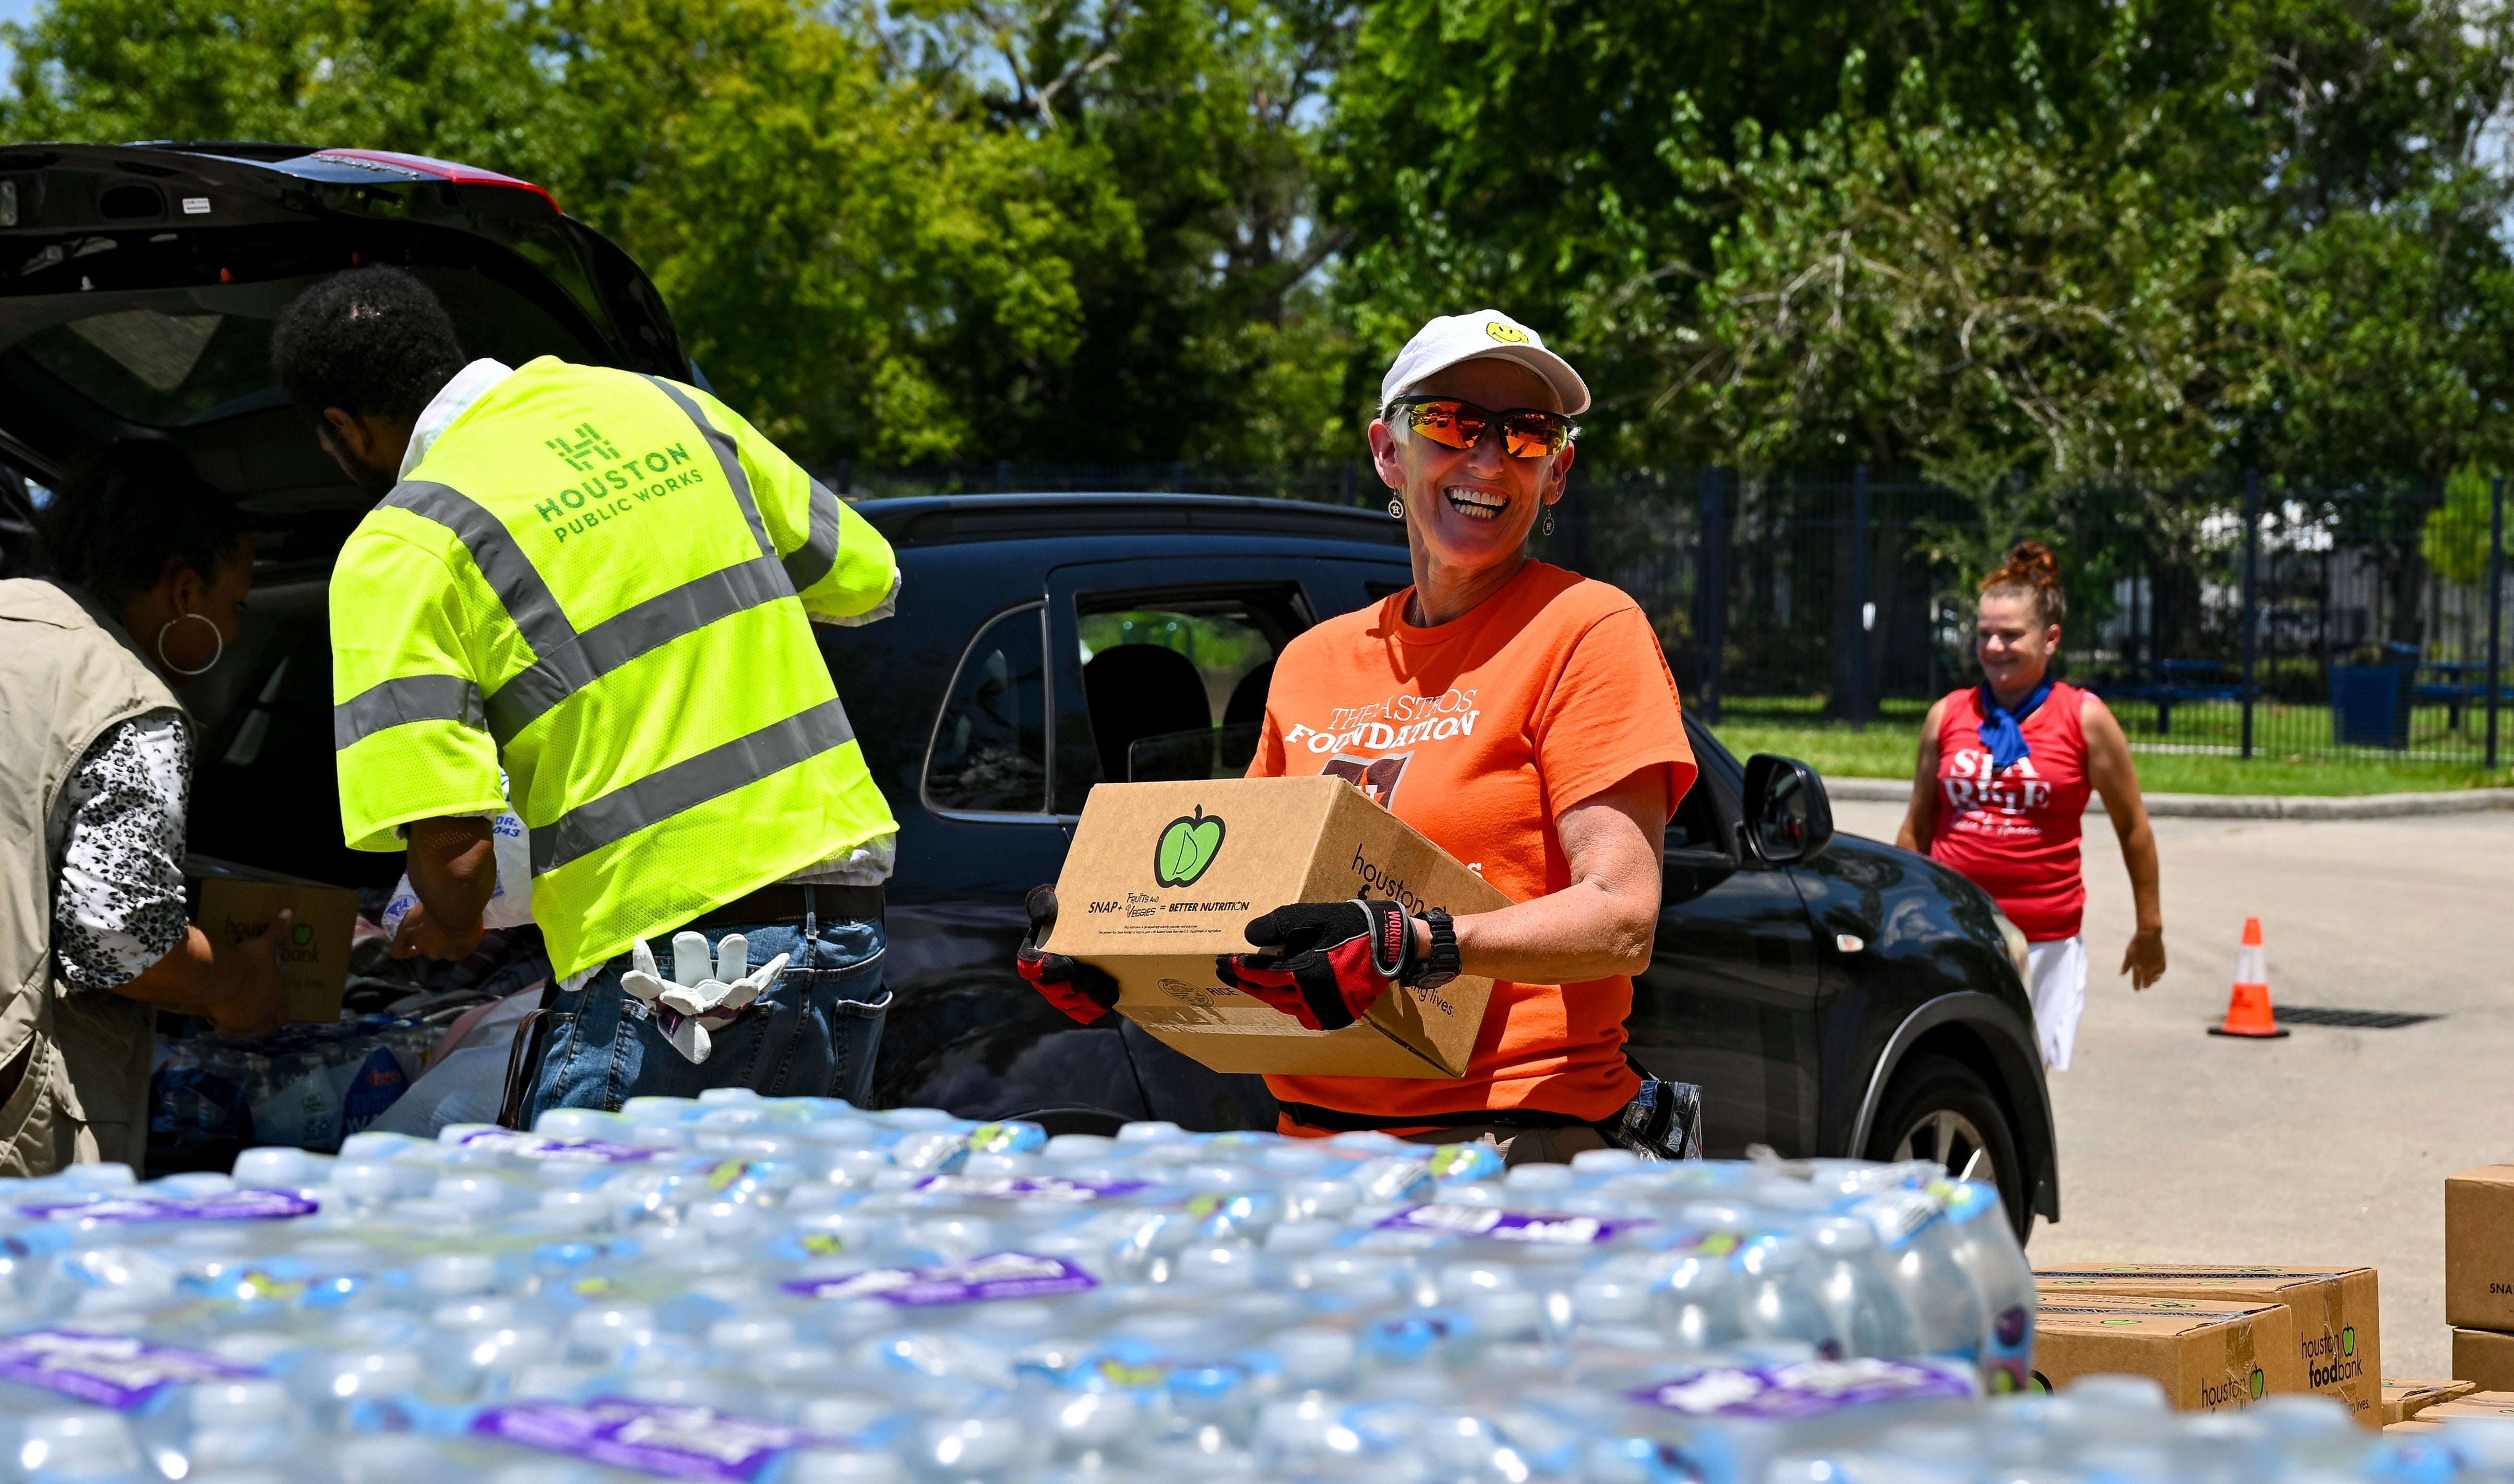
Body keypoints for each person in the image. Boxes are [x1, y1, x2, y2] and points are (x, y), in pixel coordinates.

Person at [1020, 310, 1696, 1164]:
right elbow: (1247, 908)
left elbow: (1621, 919)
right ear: (1388, 451)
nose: (1488, 459)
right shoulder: (1312, 662)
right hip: (1319, 1153)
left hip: (1514, 1146)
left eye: (1526, 434)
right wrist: (1111, 954)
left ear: (1556, 471)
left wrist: (1417, 942)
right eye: (1449, 422)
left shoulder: (1586, 629)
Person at [271, 266, 904, 1117]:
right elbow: (869, 581)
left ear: (342, 427)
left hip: (670, 969)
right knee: (785, 1241)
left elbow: (456, 874)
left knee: (620, 1250)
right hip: (844, 916)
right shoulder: (674, 410)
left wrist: (444, 920)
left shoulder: (404, 546)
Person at [0, 443, 293, 1174]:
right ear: (184, 590)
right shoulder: (126, 698)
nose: (232, 628)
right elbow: (120, 934)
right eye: (235, 604)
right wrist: (236, 981)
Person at [1896, 541, 2165, 1069]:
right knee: (1951, 1064)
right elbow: (1917, 827)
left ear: (2051, 638)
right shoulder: (1948, 715)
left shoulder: (2084, 718)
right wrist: (1903, 915)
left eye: (2011, 634)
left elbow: (2133, 827)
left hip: (2046, 942)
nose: (1994, 646)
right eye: (1984, 634)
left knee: (2022, 1077)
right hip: (1956, 931)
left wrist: (2149, 927)